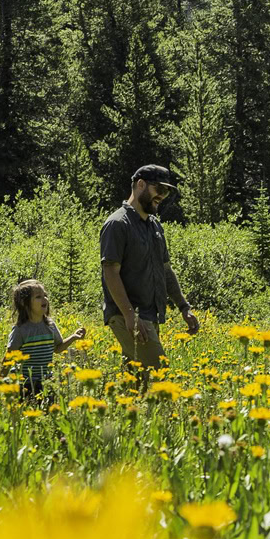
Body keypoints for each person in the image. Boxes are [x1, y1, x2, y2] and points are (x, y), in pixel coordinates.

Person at [100, 164, 201, 385]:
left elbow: (165, 270)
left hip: (149, 315)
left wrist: (184, 307)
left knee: (137, 383)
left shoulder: (154, 226)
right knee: (160, 377)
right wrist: (129, 315)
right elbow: (110, 272)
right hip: (128, 315)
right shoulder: (117, 224)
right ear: (140, 184)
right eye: (159, 190)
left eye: (166, 192)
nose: (162, 197)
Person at [4, 278, 86, 396]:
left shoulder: (50, 325)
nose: (45, 299)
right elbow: (9, 356)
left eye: (45, 295)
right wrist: (1, 379)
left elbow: (57, 348)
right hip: (24, 383)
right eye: (38, 297)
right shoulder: (21, 329)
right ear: (24, 303)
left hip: (46, 381)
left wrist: (73, 337)